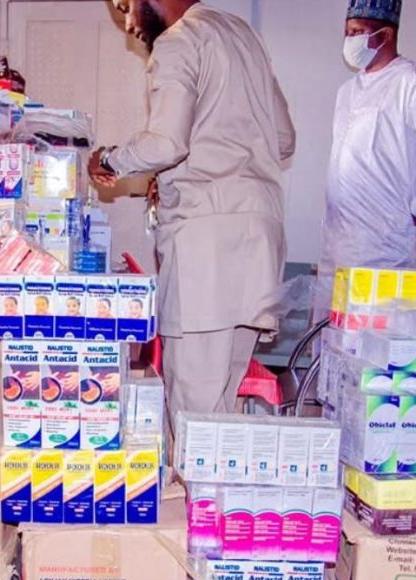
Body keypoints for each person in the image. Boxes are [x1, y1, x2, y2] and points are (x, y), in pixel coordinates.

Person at [89, 0, 295, 419]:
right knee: (224, 402)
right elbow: (284, 140)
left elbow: (166, 144)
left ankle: (196, 466)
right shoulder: (243, 36)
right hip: (258, 238)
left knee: (194, 405)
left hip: (206, 247)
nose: (128, 24)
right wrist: (178, 173)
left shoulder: (179, 40)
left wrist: (108, 160)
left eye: (125, 7)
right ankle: (215, 465)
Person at [319, 0, 416, 281]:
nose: (350, 41)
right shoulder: (347, 92)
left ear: (386, 35)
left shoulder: (412, 81)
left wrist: (414, 211)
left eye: (357, 32)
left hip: (385, 248)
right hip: (337, 244)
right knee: (332, 310)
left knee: (378, 311)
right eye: (347, 33)